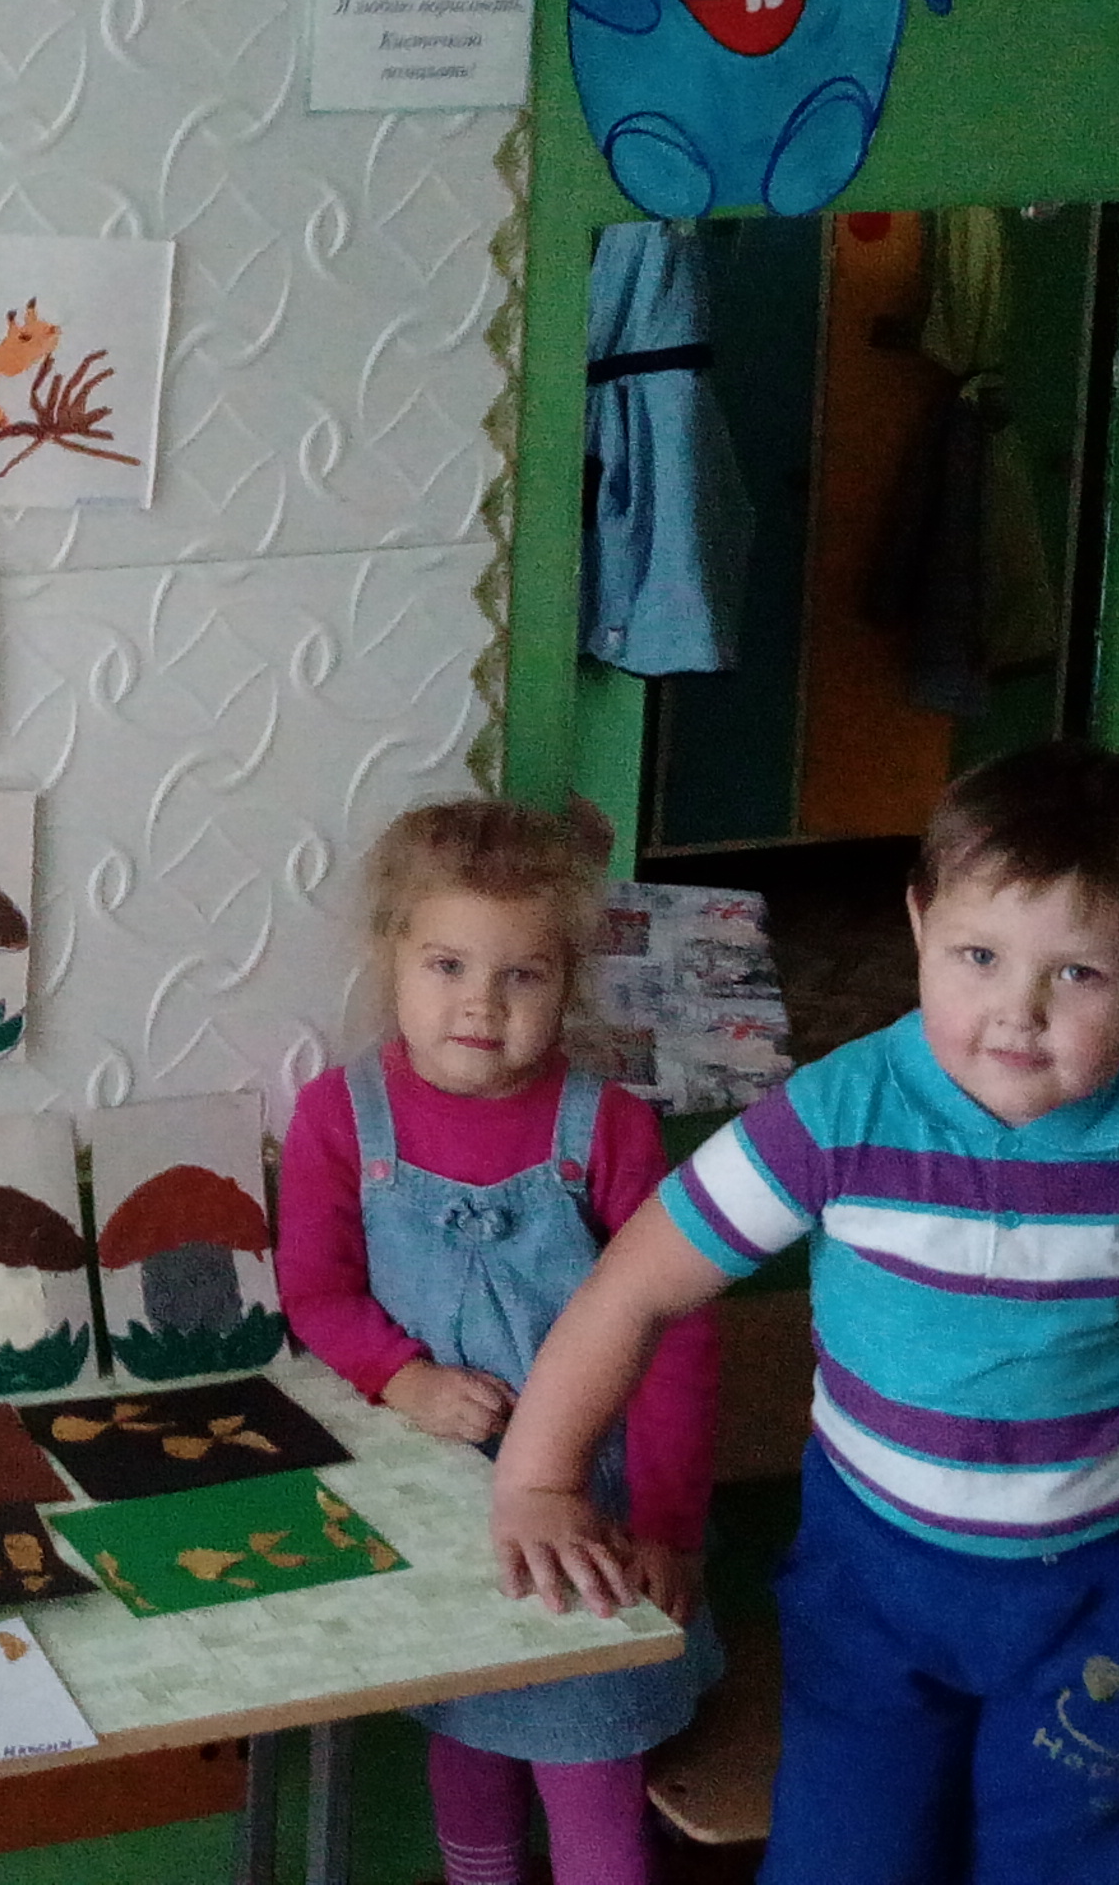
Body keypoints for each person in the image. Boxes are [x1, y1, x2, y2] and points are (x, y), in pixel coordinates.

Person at [493, 740, 1119, 1885]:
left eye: (1077, 973)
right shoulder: (833, 1120)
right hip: (873, 1588)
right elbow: (633, 1287)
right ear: (920, 923)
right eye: (980, 955)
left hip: (1110, 1590)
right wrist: (537, 1481)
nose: (1016, 1013)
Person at [281, 797, 720, 1885]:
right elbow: (317, 1293)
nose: (482, 1003)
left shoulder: (608, 1126)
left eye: (522, 974)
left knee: (590, 1762)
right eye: (447, 966)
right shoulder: (339, 1117)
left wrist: (669, 1526)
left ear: (568, 981)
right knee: (467, 1736)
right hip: (441, 1502)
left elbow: (676, 1334)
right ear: (391, 955)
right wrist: (404, 1378)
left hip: (595, 1517)